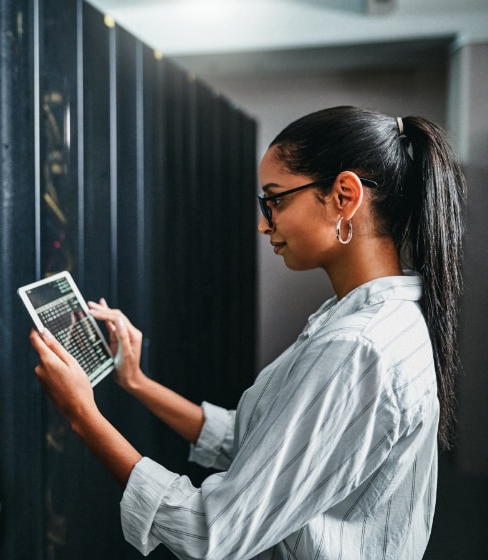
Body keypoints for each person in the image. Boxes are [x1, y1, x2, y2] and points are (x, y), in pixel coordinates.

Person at [29, 106, 466, 559]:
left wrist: (82, 413)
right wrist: (135, 382)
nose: (263, 223)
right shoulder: (385, 318)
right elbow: (261, 442)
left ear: (344, 196)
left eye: (275, 199)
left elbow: (210, 531)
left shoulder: (356, 347)